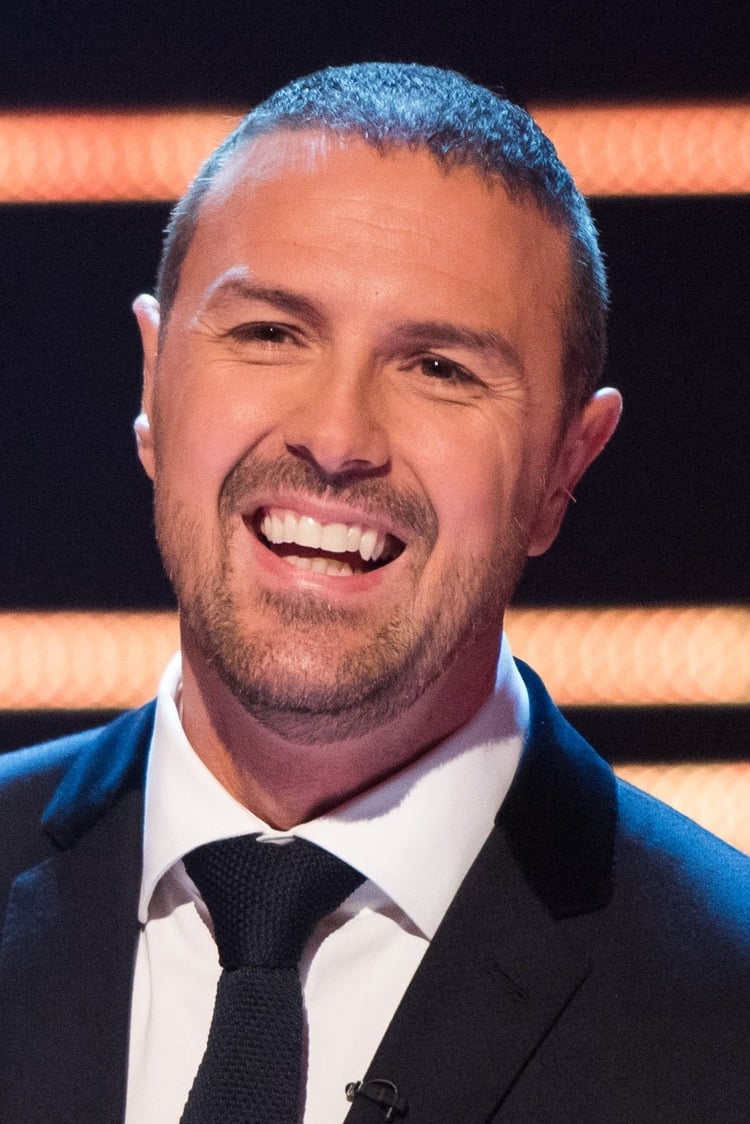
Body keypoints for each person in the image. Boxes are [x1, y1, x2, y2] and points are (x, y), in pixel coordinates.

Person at [0, 62, 748, 1124]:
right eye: (269, 334)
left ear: (564, 467)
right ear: (153, 384)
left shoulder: (726, 1006)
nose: (337, 436)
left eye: (440, 368)